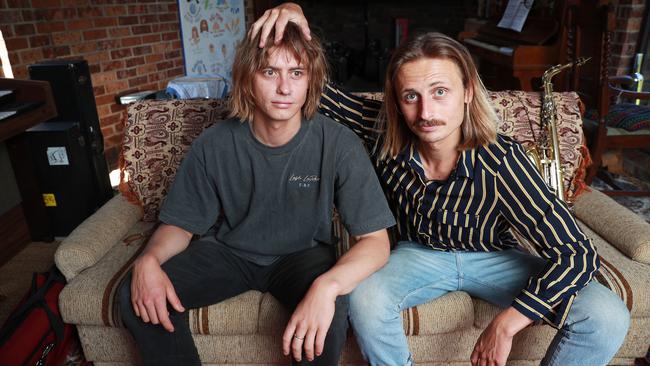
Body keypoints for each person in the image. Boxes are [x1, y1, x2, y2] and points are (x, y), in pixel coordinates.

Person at [250, 4, 631, 366]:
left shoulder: (501, 161)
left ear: (466, 93)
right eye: (410, 97)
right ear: (397, 103)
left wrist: (509, 322)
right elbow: (316, 92)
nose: (426, 113)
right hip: (418, 254)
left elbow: (577, 254)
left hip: (494, 258)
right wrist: (295, 16)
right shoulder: (385, 132)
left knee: (607, 316)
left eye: (440, 92)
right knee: (365, 296)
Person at [118, 22, 395, 366]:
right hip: (229, 252)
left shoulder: (338, 144)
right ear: (249, 78)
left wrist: (327, 288)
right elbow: (181, 224)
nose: (284, 87)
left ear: (311, 82)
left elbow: (375, 241)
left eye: (297, 72)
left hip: (302, 256)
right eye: (269, 72)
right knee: (132, 296)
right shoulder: (214, 144)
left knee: (332, 311)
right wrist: (149, 260)